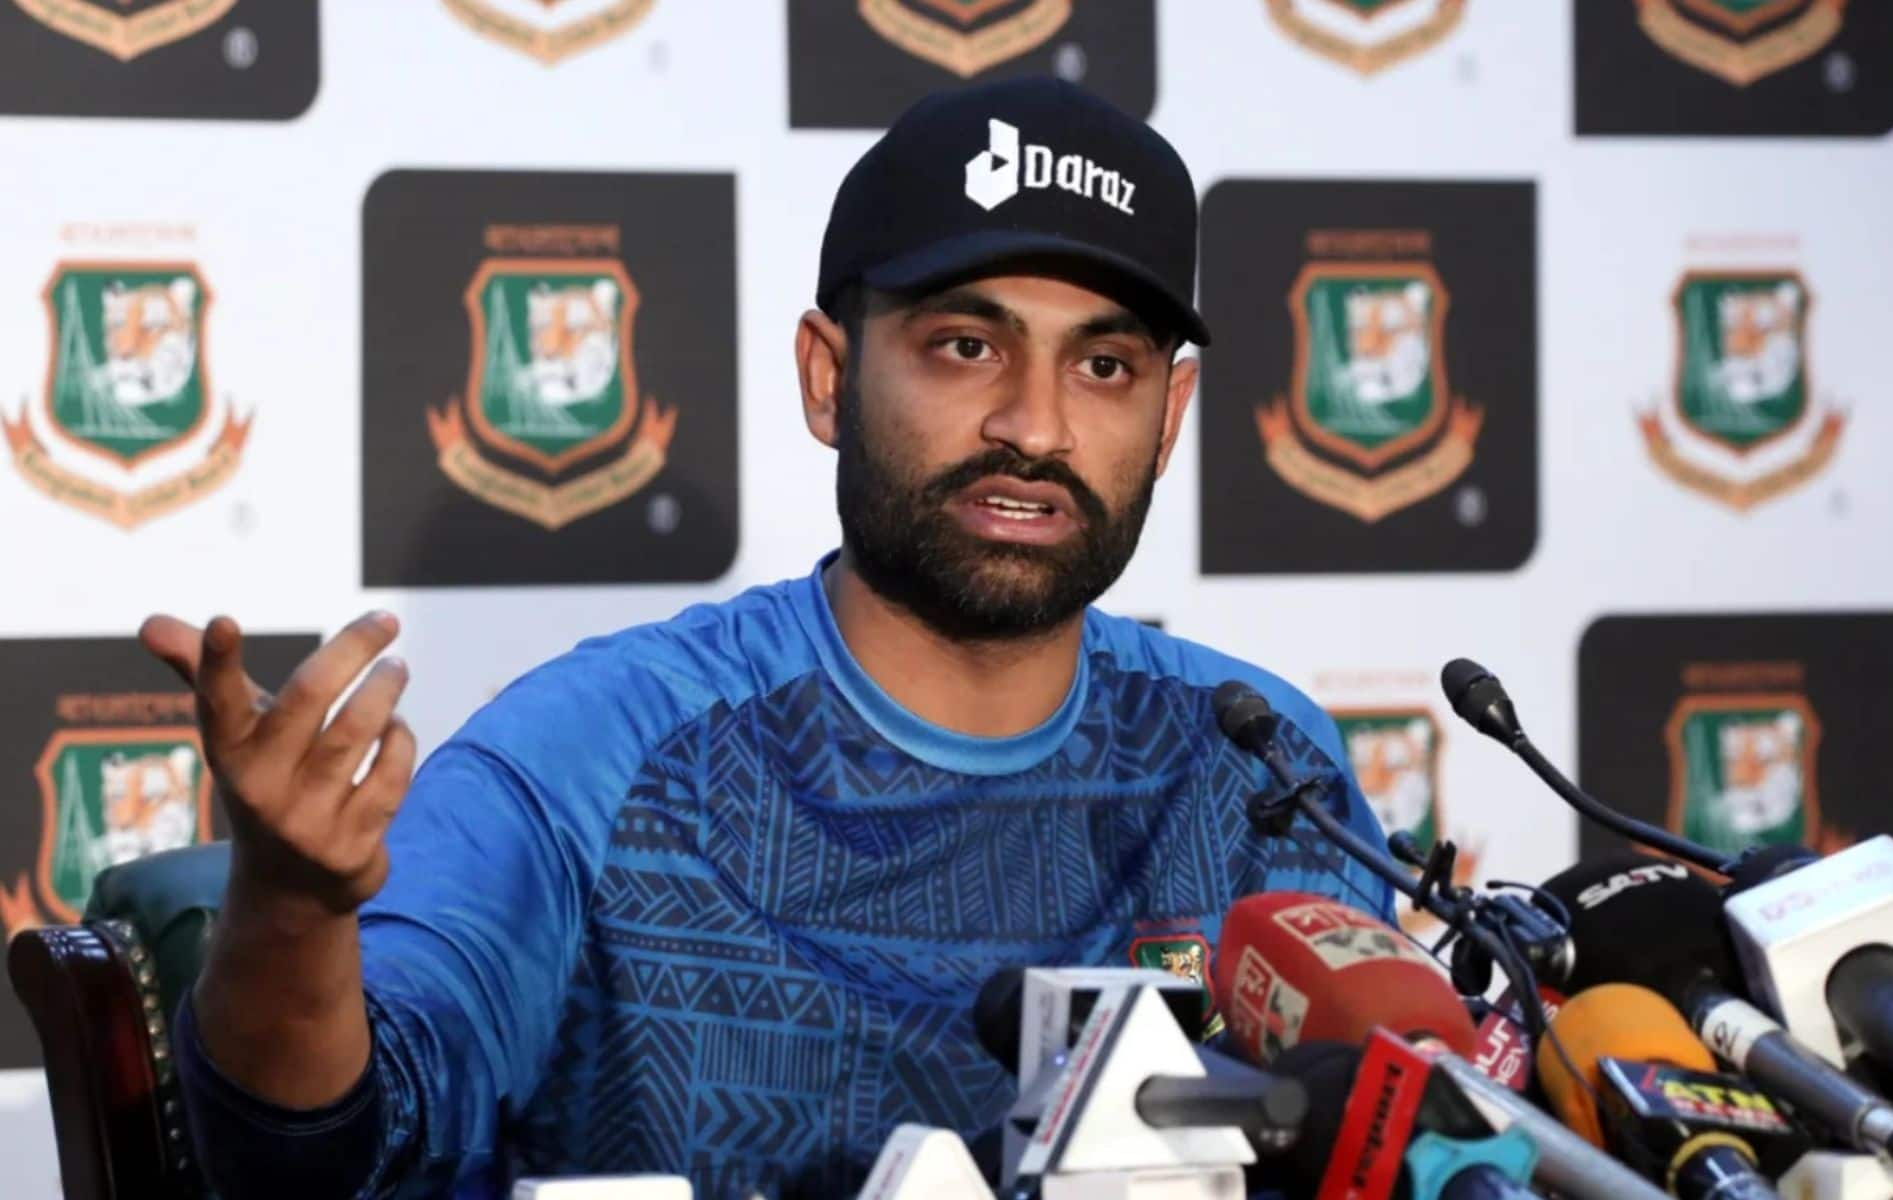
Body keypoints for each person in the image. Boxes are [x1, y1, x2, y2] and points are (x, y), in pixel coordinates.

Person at [143, 76, 1395, 1199]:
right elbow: (321, 1155)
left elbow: (1384, 1132)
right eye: (968, 346)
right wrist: (293, 915)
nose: (1037, 424)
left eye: (1106, 366)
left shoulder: (1260, 765)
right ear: (826, 378)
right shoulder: (604, 747)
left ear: (1169, 416)